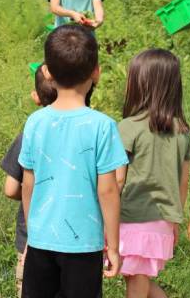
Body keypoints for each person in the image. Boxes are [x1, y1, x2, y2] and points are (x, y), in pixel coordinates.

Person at [19, 25, 128, 298]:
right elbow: (108, 190)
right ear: (96, 72)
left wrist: (33, 233)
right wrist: (113, 246)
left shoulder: (35, 122)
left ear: (46, 72)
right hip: (84, 244)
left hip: (41, 239)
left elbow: (27, 184)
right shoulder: (103, 126)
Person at [116, 49, 190, 298]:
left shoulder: (128, 128)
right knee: (138, 277)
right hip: (163, 220)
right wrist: (175, 219)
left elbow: (117, 180)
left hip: (134, 217)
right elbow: (183, 181)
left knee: (135, 282)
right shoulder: (181, 130)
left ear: (139, 84)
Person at [1, 64, 57, 296]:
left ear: (36, 97)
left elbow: (10, 188)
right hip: (74, 239)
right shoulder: (88, 128)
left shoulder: (29, 134)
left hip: (31, 237)